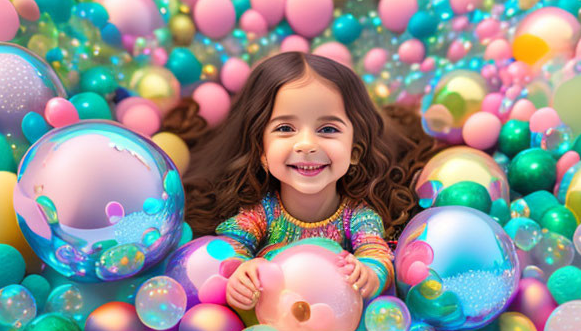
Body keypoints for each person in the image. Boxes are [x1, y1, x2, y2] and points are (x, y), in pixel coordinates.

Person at [163, 51, 439, 310]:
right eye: (285, 128)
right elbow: (231, 247)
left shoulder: (358, 216)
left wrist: (370, 273)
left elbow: (375, 251)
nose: (306, 144)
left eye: (328, 129)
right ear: (261, 151)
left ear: (354, 152)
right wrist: (239, 273)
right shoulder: (261, 214)